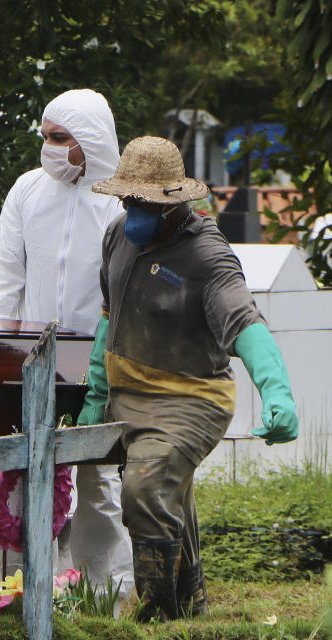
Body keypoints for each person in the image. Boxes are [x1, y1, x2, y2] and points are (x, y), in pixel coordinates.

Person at [81, 136, 298, 620]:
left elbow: (244, 323)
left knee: (145, 488)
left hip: (189, 397)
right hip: (127, 392)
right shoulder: (119, 235)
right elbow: (108, 315)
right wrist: (96, 392)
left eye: (144, 202)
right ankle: (190, 600)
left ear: (174, 202)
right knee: (169, 491)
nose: (132, 209)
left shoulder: (207, 255)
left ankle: (158, 614)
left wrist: (275, 391)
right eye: (127, 199)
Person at [0, 89, 133, 602]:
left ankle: (98, 596)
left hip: (100, 365)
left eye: (59, 138)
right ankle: (22, 591)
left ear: (88, 141)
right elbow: (1, 270)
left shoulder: (122, 200)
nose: (48, 148)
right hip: (31, 362)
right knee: (20, 477)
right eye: (44, 137)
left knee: (97, 481)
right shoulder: (28, 190)